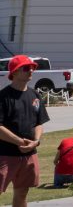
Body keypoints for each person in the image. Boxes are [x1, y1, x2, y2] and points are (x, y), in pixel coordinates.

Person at [0, 55, 49, 207]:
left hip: (29, 154)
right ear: (14, 72)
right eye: (26, 68)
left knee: (22, 193)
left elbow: (39, 122)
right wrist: (20, 142)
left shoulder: (34, 95)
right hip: (5, 154)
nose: (31, 71)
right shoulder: (3, 96)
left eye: (33, 68)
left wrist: (35, 141)